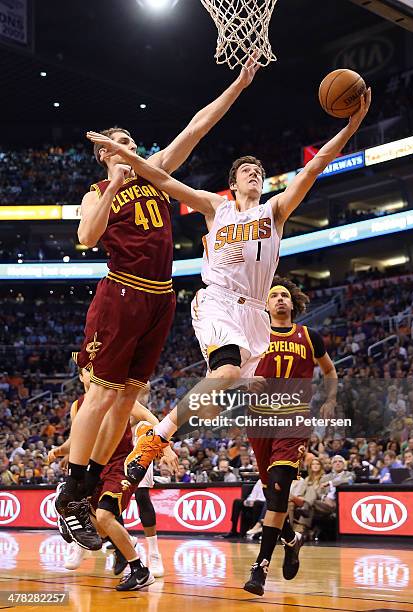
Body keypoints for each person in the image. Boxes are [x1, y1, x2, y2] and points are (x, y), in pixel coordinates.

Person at [86, 88, 372, 499]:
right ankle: (155, 441)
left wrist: (351, 126)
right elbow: (161, 178)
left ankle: (279, 527)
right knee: (226, 373)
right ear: (232, 182)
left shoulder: (274, 211)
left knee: (232, 389)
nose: (254, 173)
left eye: (259, 170)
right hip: (217, 300)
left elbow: (315, 167)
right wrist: (122, 155)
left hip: (255, 316)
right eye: (246, 170)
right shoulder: (213, 207)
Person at [55, 60, 261, 549]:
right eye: (118, 143)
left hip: (161, 297)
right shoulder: (98, 192)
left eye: (131, 142)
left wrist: (238, 83)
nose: (128, 148)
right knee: (101, 394)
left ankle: (88, 489)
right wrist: (114, 184)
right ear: (104, 153)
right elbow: (86, 236)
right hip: (122, 290)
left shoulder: (158, 172)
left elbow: (198, 125)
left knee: (126, 399)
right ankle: (72, 487)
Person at [243, 278, 337, 595]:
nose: (280, 299)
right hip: (258, 419)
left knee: (280, 492)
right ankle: (291, 540)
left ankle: (260, 568)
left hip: (294, 417)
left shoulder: (309, 336)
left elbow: (329, 371)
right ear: (266, 305)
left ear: (292, 303)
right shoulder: (253, 336)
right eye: (274, 296)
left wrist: (330, 399)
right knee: (273, 497)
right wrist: (245, 383)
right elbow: (234, 373)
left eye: (285, 295)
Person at [50, 369, 176, 590]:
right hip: (95, 468)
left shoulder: (117, 395)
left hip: (121, 464)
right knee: (98, 525)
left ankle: (139, 568)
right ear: (81, 377)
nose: (92, 373)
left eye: (94, 369)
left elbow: (152, 419)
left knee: (106, 516)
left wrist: (165, 450)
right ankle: (134, 559)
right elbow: (77, 438)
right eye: (87, 371)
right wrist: (61, 451)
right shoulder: (77, 406)